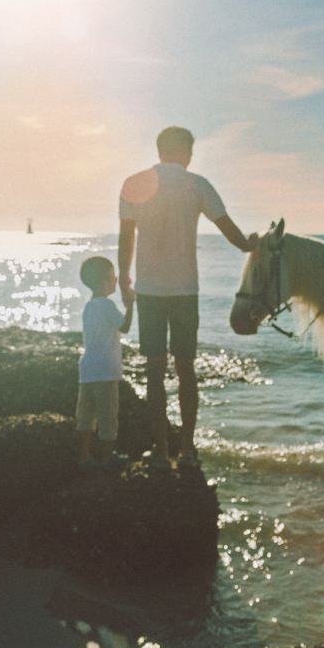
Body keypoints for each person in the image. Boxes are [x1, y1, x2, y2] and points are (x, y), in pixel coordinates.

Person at [119, 126, 256, 468]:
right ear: (182, 150)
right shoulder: (198, 184)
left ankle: (162, 453)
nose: (192, 156)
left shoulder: (134, 183)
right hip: (184, 291)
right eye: (190, 150)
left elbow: (126, 237)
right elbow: (228, 229)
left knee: (154, 371)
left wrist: (124, 278)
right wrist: (252, 245)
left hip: (149, 290)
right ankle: (188, 450)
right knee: (186, 370)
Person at [77, 255, 133, 471]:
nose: (115, 280)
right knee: (108, 417)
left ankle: (84, 457)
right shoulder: (108, 305)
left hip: (87, 370)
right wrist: (131, 305)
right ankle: (106, 458)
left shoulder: (89, 306)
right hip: (106, 371)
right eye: (113, 277)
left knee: (86, 417)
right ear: (103, 283)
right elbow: (125, 327)